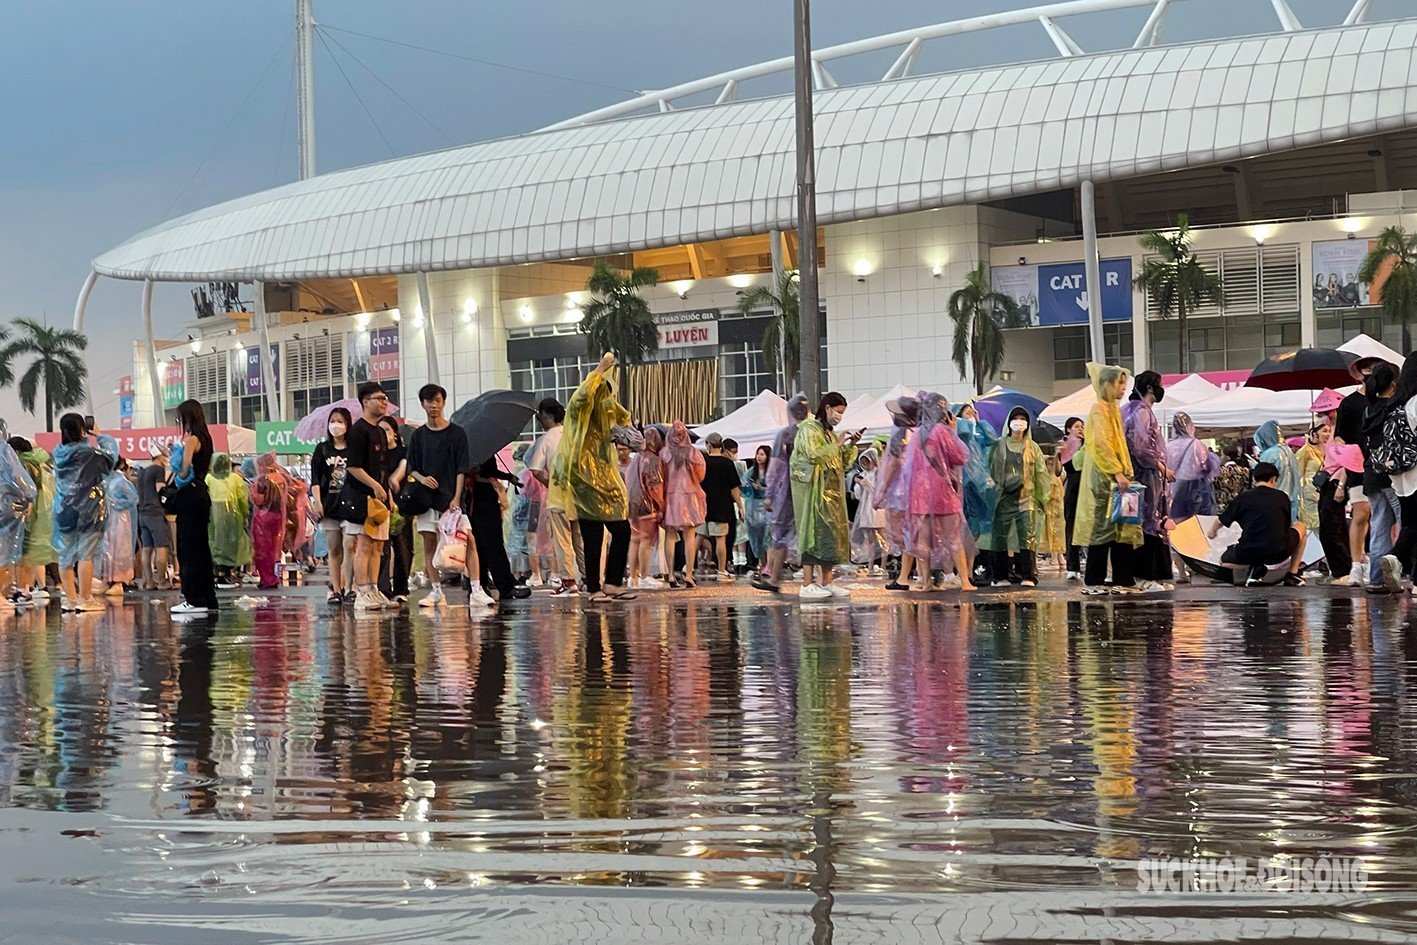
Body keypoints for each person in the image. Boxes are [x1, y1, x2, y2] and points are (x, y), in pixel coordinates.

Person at [552, 352, 637, 603]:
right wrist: (599, 369)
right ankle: (593, 588)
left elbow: (625, 419)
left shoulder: (608, 411)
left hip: (605, 476)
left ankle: (611, 582)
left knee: (621, 529)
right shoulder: (581, 410)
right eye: (602, 390)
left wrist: (626, 434)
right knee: (592, 534)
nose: (605, 396)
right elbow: (581, 398)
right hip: (583, 476)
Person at [1073, 363, 1141, 594]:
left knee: (1122, 527)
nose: (1123, 388)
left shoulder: (1112, 410)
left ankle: (1124, 578)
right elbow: (1101, 444)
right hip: (1104, 478)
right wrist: (1117, 471)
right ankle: (1094, 581)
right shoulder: (1098, 410)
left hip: (1118, 478)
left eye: (1124, 383)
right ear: (1105, 384)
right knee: (1101, 528)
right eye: (1118, 383)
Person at [405, 384, 470, 608]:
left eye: (438, 400)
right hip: (425, 500)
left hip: (451, 501)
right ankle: (435, 591)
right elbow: (410, 467)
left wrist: (456, 497)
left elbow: (462, 469)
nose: (434, 405)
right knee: (429, 544)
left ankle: (477, 587)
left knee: (466, 543)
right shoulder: (418, 436)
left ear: (444, 402)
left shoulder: (457, 433)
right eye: (429, 401)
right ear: (422, 404)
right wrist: (422, 478)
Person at [792, 391, 861, 599]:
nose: (839, 416)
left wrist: (850, 445)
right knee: (812, 533)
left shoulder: (829, 433)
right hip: (814, 491)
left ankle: (827, 581)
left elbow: (841, 462)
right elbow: (814, 455)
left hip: (831, 493)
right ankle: (806, 583)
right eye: (838, 412)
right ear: (828, 408)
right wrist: (837, 444)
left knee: (828, 536)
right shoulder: (808, 429)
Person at [903, 394, 975, 591]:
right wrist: (954, 432)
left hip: (919, 495)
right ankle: (965, 582)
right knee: (954, 538)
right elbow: (960, 457)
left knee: (922, 541)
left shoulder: (916, 434)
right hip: (943, 492)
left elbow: (908, 467)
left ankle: (926, 582)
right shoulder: (942, 432)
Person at [51, 413, 118, 614]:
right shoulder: (90, 454)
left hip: (64, 510)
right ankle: (85, 598)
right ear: (82, 430)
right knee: (85, 555)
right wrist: (100, 435)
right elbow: (111, 458)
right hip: (89, 510)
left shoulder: (59, 455)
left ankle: (70, 599)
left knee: (65, 556)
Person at [1207, 461, 1307, 586]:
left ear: (1254, 479)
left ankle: (1255, 567)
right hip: (1278, 552)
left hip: (1248, 552)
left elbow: (1221, 520)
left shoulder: (1243, 497)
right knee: (1301, 526)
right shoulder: (1282, 497)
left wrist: (1212, 532)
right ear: (1273, 479)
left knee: (1224, 562)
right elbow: (1286, 526)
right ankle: (1292, 574)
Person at [1332, 357, 1386, 586]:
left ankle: (1379, 563)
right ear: (1358, 373)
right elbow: (1339, 436)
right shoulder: (1350, 403)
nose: (1371, 373)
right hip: (1358, 466)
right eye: (1368, 369)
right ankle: (1356, 565)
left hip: (1384, 465)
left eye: (1376, 369)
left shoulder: (1386, 400)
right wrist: (1344, 452)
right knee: (1361, 513)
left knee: (1383, 518)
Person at [342, 381, 395, 612]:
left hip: (381, 498)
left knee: (377, 547)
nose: (384, 402)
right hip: (362, 497)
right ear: (365, 402)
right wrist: (374, 486)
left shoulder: (379, 431)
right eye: (379, 398)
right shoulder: (358, 431)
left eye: (385, 398)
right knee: (363, 545)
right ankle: (361, 590)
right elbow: (353, 467)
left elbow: (383, 467)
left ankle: (374, 589)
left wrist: (388, 494)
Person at [987, 405, 1051, 587]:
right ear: (1009, 422)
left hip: (1026, 497)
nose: (1020, 422)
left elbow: (1041, 473)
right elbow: (990, 468)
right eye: (1016, 418)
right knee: (1000, 536)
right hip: (1003, 498)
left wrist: (1043, 497)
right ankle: (1000, 576)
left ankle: (1028, 575)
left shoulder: (1033, 447)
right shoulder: (999, 445)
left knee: (1027, 536)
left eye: (1023, 419)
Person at [753, 394, 810, 593]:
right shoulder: (812, 432)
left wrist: (769, 493)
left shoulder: (785, 435)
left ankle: (775, 578)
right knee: (809, 533)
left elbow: (776, 466)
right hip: (810, 488)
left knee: (780, 534)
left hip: (788, 491)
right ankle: (815, 580)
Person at [1122, 371, 1173, 592]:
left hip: (1133, 475)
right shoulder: (1141, 412)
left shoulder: (1127, 410)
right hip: (1143, 475)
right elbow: (1140, 447)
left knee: (1135, 521)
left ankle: (1146, 574)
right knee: (1148, 521)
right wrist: (1162, 467)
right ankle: (1145, 575)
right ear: (1151, 388)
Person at [526, 396, 583, 596]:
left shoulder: (546, 439)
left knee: (562, 540)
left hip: (558, 498)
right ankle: (589, 578)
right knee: (580, 539)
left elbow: (535, 470)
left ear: (545, 415)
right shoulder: (574, 435)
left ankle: (568, 582)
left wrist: (551, 484)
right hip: (580, 496)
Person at [169, 400, 219, 616]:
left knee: (187, 548)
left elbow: (184, 469)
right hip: (202, 493)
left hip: (189, 494)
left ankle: (193, 598)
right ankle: (206, 596)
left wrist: (177, 469)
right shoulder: (206, 439)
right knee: (201, 548)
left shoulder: (191, 440)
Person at [1357, 362, 1401, 593]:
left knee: (1379, 526)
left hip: (1371, 473)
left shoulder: (1368, 408)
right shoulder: (1396, 407)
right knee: (1406, 524)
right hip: (1394, 473)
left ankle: (1376, 578)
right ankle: (1400, 568)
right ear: (1394, 382)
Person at [466, 456, 528, 606]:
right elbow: (488, 470)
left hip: (473, 498)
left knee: (479, 545)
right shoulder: (481, 448)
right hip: (483, 497)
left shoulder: (468, 446)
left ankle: (479, 585)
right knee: (493, 544)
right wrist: (507, 476)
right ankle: (505, 586)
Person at [310, 406, 353, 605]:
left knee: (350, 545)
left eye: (341, 421)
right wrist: (318, 501)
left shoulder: (354, 448)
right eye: (333, 421)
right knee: (334, 549)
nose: (336, 425)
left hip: (351, 504)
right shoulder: (322, 449)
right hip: (329, 504)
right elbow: (316, 478)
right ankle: (336, 589)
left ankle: (350, 587)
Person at [660, 419, 707, 588]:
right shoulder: (693, 453)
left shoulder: (664, 454)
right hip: (690, 497)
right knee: (689, 536)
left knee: (670, 536)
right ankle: (688, 574)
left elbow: (660, 478)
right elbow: (700, 476)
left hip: (670, 497)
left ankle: (671, 574)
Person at [875, 398, 917, 582]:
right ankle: (920, 574)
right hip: (918, 489)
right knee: (916, 532)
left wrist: (882, 490)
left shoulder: (900, 432)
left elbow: (892, 463)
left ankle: (904, 576)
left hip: (900, 491)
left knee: (904, 535)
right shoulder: (920, 431)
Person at [12, 438, 55, 601]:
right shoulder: (41, 464)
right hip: (41, 515)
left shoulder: (23, 465)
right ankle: (29, 589)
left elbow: (23, 490)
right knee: (32, 554)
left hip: (27, 514)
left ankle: (23, 590)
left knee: (23, 555)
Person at [376, 415, 413, 603]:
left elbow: (401, 472)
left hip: (402, 505)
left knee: (403, 547)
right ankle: (383, 588)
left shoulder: (405, 452)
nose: (384, 434)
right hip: (381, 505)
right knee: (383, 547)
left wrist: (395, 478)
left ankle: (401, 588)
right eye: (380, 431)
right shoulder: (376, 455)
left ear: (395, 434)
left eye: (387, 430)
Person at [698, 432, 743, 581]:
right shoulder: (728, 464)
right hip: (722, 506)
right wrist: (740, 506)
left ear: (709, 445)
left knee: (699, 537)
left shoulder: (703, 463)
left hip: (703, 506)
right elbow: (734, 488)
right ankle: (722, 570)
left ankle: (689, 567)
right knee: (720, 539)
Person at [627, 425, 666, 589]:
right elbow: (655, 486)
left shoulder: (636, 458)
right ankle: (644, 575)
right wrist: (661, 506)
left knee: (635, 541)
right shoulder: (653, 460)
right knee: (646, 541)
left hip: (633, 506)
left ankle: (633, 576)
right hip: (647, 506)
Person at [0, 435, 36, 607]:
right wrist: (29, 497)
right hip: (6, 506)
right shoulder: (5, 450)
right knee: (4, 553)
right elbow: (19, 476)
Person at [206, 453, 251, 587]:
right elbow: (243, 500)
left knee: (214, 544)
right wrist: (244, 515)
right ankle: (225, 574)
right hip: (232, 517)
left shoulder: (208, 478)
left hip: (213, 516)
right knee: (230, 546)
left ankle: (216, 573)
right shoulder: (236, 479)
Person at [1165, 412, 1219, 521]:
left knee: (1178, 523)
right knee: (1199, 522)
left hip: (1173, 490)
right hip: (1196, 491)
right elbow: (1207, 466)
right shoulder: (1196, 444)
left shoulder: (1167, 446)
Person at [98, 458, 138, 596]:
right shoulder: (103, 480)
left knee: (119, 549)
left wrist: (116, 504)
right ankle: (107, 578)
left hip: (120, 520)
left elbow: (132, 498)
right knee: (107, 548)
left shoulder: (121, 481)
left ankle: (119, 581)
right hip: (107, 520)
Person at [135, 445, 173, 590]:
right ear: (159, 456)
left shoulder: (142, 472)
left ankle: (149, 581)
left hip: (142, 513)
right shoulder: (159, 469)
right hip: (155, 513)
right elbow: (160, 489)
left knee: (147, 548)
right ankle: (162, 581)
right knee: (161, 547)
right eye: (164, 455)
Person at [248, 453, 288, 590]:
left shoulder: (262, 480)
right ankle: (270, 577)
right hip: (277, 516)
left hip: (263, 517)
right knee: (272, 548)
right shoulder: (281, 478)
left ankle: (268, 578)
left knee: (262, 549)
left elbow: (258, 500)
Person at [1255, 419, 1301, 523]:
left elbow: (1264, 475)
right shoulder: (1288, 450)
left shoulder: (1271, 453)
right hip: (1292, 498)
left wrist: (1256, 467)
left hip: (1274, 499)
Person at [850, 447, 887, 572]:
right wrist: (859, 485)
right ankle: (871, 566)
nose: (865, 464)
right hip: (866, 509)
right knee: (870, 539)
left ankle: (883, 565)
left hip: (877, 509)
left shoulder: (878, 474)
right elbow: (858, 495)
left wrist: (868, 484)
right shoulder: (864, 475)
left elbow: (880, 491)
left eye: (867, 461)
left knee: (883, 537)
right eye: (863, 462)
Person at [1059, 417, 1085, 580]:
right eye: (1076, 426)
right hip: (1073, 484)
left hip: (1087, 484)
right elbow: (1057, 471)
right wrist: (1058, 455)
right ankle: (1072, 565)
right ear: (1068, 429)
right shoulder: (1064, 445)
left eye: (1082, 426)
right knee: (1072, 525)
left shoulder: (1087, 445)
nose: (1080, 429)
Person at [741, 445, 771, 574]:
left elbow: (777, 488)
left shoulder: (772, 472)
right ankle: (763, 563)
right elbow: (743, 486)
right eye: (758, 454)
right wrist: (747, 487)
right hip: (753, 507)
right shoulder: (751, 471)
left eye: (763, 454)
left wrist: (762, 489)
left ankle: (769, 565)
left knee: (768, 536)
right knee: (757, 538)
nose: (759, 457)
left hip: (768, 507)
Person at [1295, 422, 1327, 536]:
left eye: (1329, 430)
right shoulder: (1306, 451)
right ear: (1314, 433)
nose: (1327, 434)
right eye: (1324, 431)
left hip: (1326, 492)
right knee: (1317, 528)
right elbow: (1297, 473)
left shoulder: (1328, 449)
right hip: (1311, 495)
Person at [1036, 453, 1067, 571]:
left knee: (1055, 529)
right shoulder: (1053, 476)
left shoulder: (1053, 476)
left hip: (1055, 507)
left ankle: (1057, 555)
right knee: (1053, 529)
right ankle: (1056, 555)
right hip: (1053, 507)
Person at [1213, 444, 1252, 512]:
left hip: (1223, 508)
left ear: (1228, 457)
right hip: (1241, 507)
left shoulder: (1219, 472)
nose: (1220, 457)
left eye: (1222, 455)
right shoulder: (1245, 471)